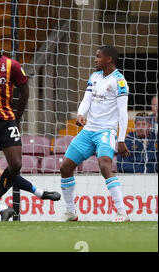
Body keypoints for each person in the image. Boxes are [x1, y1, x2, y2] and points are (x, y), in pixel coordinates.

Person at [0, 32, 60, 221]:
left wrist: (18, 117)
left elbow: (24, 91)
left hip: (6, 118)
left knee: (15, 164)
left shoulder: (11, 65)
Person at [59, 45, 131, 222]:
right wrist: (81, 114)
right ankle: (70, 212)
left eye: (98, 57)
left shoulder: (119, 81)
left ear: (109, 59)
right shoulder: (95, 76)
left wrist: (121, 139)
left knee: (105, 165)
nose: (95, 59)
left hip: (106, 131)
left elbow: (123, 113)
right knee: (65, 167)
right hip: (89, 130)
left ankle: (122, 212)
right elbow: (87, 99)